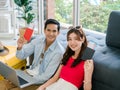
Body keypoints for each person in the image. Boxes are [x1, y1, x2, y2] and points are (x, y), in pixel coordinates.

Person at [0, 19, 65, 90]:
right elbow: (21, 56)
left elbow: (45, 77)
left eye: (54, 31)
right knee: (2, 85)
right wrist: (20, 47)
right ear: (44, 30)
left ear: (58, 33)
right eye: (48, 30)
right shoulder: (38, 41)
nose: (51, 34)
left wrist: (27, 80)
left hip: (40, 82)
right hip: (28, 73)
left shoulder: (59, 52)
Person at [36, 25, 94, 90]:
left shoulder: (87, 62)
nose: (72, 43)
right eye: (70, 39)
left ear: (82, 39)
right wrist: (41, 87)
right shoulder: (67, 57)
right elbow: (55, 78)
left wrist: (88, 72)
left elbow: (87, 88)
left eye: (76, 39)